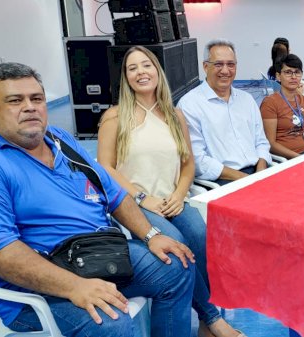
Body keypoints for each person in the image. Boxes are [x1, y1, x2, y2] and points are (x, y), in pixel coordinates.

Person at [0, 62, 196, 337]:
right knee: (109, 320)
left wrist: (150, 234)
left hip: (96, 254)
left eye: (36, 99)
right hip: (37, 290)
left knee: (177, 265)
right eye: (15, 101)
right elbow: (0, 255)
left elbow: (113, 193)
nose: (30, 107)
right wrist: (74, 286)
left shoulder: (59, 140)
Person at [96, 46, 244, 337]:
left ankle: (204, 325)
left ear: (157, 71)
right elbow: (105, 169)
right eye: (133, 68)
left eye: (146, 65)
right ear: (125, 78)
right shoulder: (115, 117)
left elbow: (188, 164)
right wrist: (141, 198)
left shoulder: (175, 115)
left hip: (172, 201)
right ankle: (213, 319)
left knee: (201, 238)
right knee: (176, 245)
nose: (141, 72)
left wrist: (178, 194)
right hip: (134, 205)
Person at [178, 39, 272, 185]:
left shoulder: (246, 100)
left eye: (231, 64)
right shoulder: (189, 105)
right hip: (223, 180)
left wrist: (260, 172)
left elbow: (261, 142)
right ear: (205, 66)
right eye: (218, 64)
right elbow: (197, 160)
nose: (225, 70)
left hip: (259, 172)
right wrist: (246, 179)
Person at [261, 54, 304, 159]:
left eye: (297, 72)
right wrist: (299, 158)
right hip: (287, 159)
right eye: (288, 72)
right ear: (278, 76)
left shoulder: (302, 99)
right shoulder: (270, 103)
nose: (294, 77)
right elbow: (270, 144)